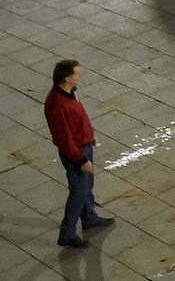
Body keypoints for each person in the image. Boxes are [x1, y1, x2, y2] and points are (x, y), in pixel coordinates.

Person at [44, 59, 114, 247]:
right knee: (78, 191)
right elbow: (64, 138)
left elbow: (79, 117)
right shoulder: (58, 104)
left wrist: (89, 135)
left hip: (83, 144)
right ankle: (67, 233)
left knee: (86, 186)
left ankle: (89, 217)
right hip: (75, 152)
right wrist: (80, 159)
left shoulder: (69, 93)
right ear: (67, 78)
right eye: (76, 73)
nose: (79, 76)